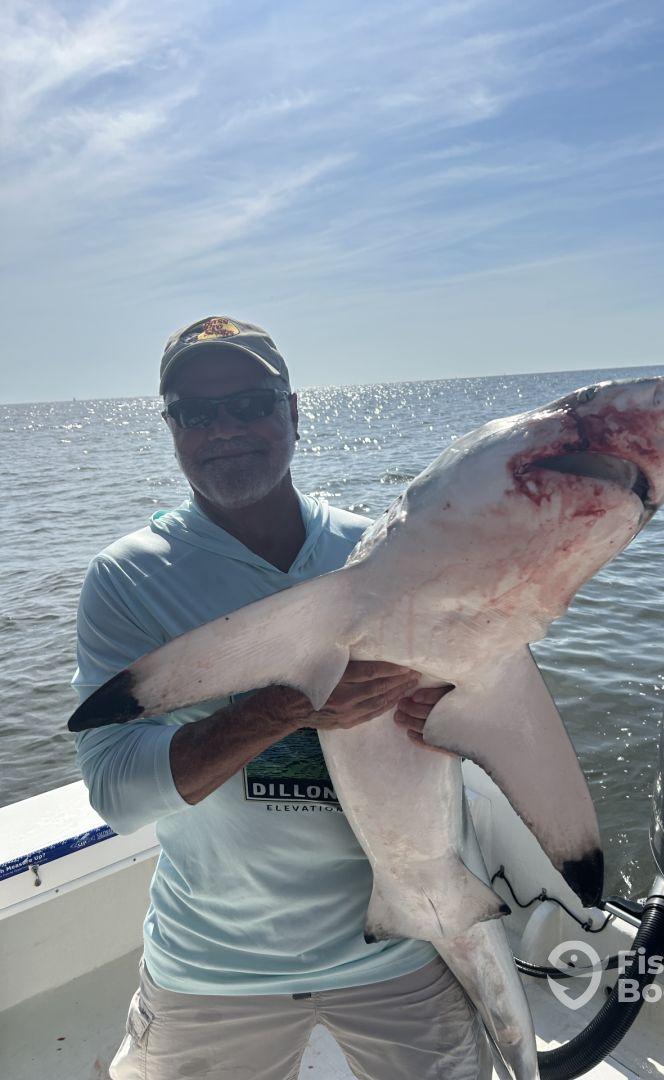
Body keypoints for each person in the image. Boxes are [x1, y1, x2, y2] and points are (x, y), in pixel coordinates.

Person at [71, 316, 492, 1080]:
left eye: (251, 403)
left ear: (293, 412)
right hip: (212, 963)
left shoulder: (380, 555)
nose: (225, 428)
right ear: (172, 428)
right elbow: (117, 794)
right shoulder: (128, 578)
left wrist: (447, 704)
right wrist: (288, 705)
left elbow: (469, 718)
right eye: (197, 412)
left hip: (396, 940)